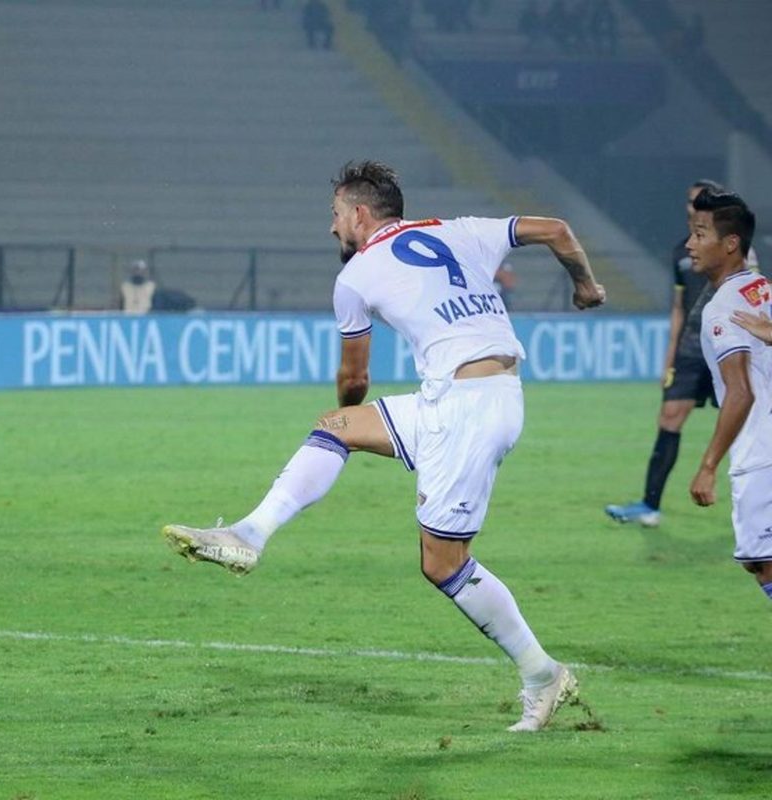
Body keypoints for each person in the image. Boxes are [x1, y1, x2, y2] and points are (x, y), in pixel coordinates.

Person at [163, 160, 606, 733]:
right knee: (336, 427)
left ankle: (542, 674)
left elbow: (355, 378)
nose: (332, 227)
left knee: (442, 563)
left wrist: (351, 402)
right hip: (469, 395)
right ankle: (248, 534)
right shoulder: (461, 229)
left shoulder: (357, 275)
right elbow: (557, 230)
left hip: (467, 410)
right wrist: (585, 285)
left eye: (335, 214)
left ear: (359, 214)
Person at [604, 179, 749, 527]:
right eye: (689, 201)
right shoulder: (681, 252)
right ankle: (650, 505)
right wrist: (670, 356)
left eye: (699, 201)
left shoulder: (736, 247)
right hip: (690, 348)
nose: (692, 206)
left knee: (744, 422)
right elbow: (678, 307)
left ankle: (752, 502)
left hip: (729, 344)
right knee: (669, 417)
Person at [686, 188, 772, 600]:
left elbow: (741, 393)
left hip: (761, 453)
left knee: (763, 562)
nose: (690, 244)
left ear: (731, 243)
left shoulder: (723, 309)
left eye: (700, 234)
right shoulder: (764, 288)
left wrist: (708, 466)